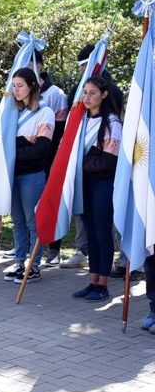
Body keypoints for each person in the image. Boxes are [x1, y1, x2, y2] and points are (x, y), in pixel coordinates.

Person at [2, 68, 55, 284]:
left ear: (32, 86)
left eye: (20, 85)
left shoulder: (45, 112)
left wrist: (12, 155)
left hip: (31, 175)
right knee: (18, 222)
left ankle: (34, 266)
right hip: (11, 175)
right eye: (13, 85)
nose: (16, 90)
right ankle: (19, 262)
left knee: (33, 222)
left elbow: (41, 149)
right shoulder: (11, 112)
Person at [71, 76, 121, 301]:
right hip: (84, 183)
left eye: (92, 93)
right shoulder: (80, 121)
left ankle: (103, 284)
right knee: (90, 232)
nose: (87, 97)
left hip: (102, 183)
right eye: (85, 92)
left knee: (102, 233)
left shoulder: (112, 123)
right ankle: (92, 281)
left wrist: (81, 165)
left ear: (104, 95)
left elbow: (109, 161)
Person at [33, 50, 70, 266]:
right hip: (29, 160)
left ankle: (54, 249)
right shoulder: (20, 91)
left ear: (40, 66)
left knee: (51, 200)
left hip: (50, 156)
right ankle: (30, 249)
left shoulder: (55, 93)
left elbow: (61, 129)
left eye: (32, 63)